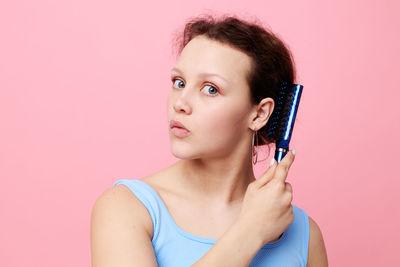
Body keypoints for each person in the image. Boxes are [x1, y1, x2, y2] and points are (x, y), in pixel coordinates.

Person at [91, 14, 328, 267]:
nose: (180, 103)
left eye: (211, 89)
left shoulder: (304, 236)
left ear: (259, 114)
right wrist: (250, 231)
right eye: (179, 83)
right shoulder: (125, 209)